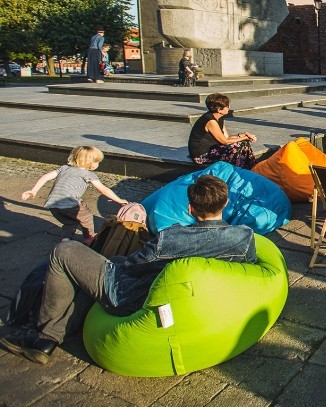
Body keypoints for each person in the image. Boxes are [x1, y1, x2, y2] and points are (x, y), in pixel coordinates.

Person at [0, 175, 256, 365]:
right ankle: (60, 328)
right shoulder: (244, 237)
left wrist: (115, 260)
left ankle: (44, 336)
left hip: (128, 295)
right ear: (225, 204)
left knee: (65, 251)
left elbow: (133, 266)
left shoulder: (171, 237)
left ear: (190, 208)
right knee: (90, 263)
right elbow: (247, 269)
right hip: (185, 299)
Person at [21, 146, 129, 244]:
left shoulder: (64, 168)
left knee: (70, 222)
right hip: (70, 204)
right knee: (86, 217)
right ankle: (89, 237)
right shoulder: (88, 174)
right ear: (89, 162)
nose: (98, 164)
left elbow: (46, 177)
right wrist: (118, 200)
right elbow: (104, 190)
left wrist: (34, 191)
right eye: (96, 162)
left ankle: (66, 239)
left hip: (53, 205)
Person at [187, 93, 257, 168]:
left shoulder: (219, 118)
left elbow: (227, 138)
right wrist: (245, 137)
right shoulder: (210, 121)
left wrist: (244, 135)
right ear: (219, 109)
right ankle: (238, 170)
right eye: (227, 106)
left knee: (243, 143)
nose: (229, 107)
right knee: (238, 146)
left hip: (213, 148)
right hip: (201, 155)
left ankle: (252, 167)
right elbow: (225, 141)